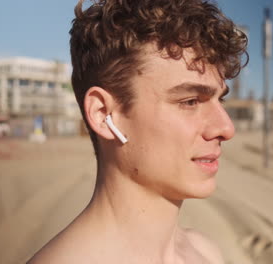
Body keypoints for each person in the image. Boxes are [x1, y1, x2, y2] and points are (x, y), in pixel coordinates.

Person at [28, 0, 247, 263]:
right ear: (103, 115)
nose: (226, 128)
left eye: (219, 100)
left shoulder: (206, 253)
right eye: (189, 101)